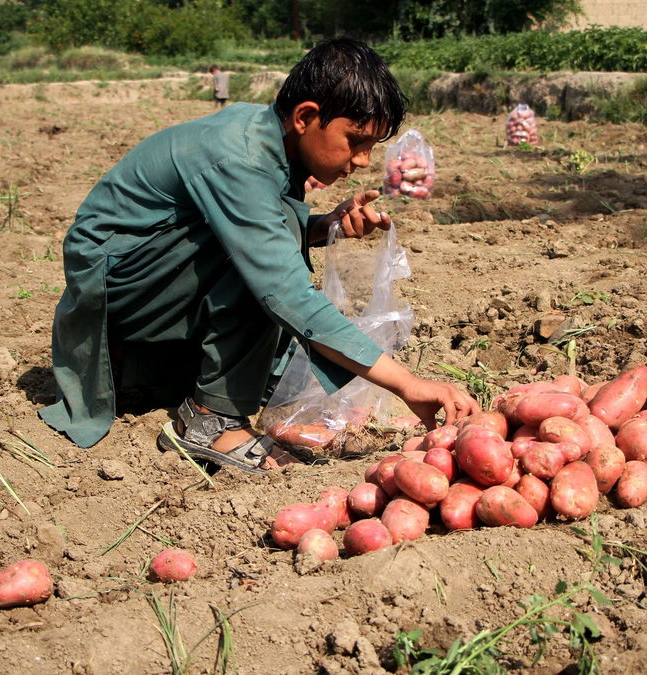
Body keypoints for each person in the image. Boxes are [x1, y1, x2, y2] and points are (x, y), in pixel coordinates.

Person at [40, 38, 478, 472]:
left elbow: (256, 223)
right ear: (306, 116)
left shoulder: (269, 135)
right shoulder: (242, 158)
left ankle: (161, 369)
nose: (363, 161)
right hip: (117, 295)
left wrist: (324, 227)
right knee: (273, 262)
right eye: (356, 141)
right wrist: (409, 384)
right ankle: (210, 419)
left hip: (147, 285)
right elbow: (282, 286)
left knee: (281, 236)